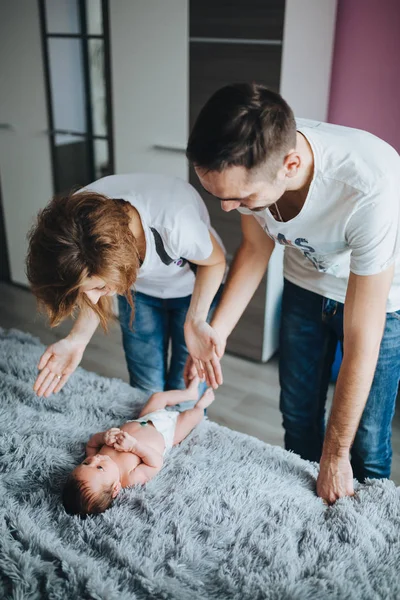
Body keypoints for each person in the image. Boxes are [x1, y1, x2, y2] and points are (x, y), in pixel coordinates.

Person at [184, 83, 400, 504]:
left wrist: (335, 455)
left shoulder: (370, 183)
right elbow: (256, 246)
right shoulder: (249, 165)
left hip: (381, 304)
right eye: (220, 197)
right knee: (298, 419)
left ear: (291, 164)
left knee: (368, 442)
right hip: (304, 288)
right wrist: (216, 332)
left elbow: (362, 338)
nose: (229, 208)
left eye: (242, 197)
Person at [26, 173, 225, 408]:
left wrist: (195, 319)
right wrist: (77, 339)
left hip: (192, 291)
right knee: (144, 391)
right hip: (139, 293)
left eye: (100, 287)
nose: (90, 298)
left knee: (185, 393)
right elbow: (92, 282)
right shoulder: (74, 223)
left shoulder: (175, 224)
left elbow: (215, 262)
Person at [62, 377, 215, 516]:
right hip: (166, 432)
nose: (94, 459)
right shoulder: (129, 478)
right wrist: (134, 446)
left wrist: (103, 437)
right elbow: (155, 463)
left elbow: (91, 444)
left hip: (143, 419)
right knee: (191, 416)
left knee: (157, 397)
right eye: (99, 468)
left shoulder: (96, 456)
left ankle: (189, 393)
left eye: (86, 463)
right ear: (115, 488)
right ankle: (200, 406)